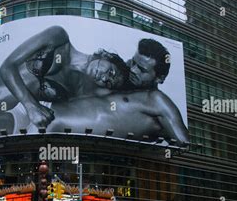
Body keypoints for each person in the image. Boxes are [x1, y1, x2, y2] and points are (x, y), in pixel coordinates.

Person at [0, 26, 130, 142]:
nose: (105, 78)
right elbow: (7, 67)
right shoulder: (59, 37)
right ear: (106, 55)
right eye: (110, 71)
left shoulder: (72, 92)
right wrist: (31, 105)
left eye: (109, 82)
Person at [46, 39, 189, 146]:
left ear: (160, 78)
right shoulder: (119, 76)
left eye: (142, 69)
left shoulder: (157, 100)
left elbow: (183, 145)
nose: (133, 70)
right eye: (133, 62)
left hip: (58, 135)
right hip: (45, 113)